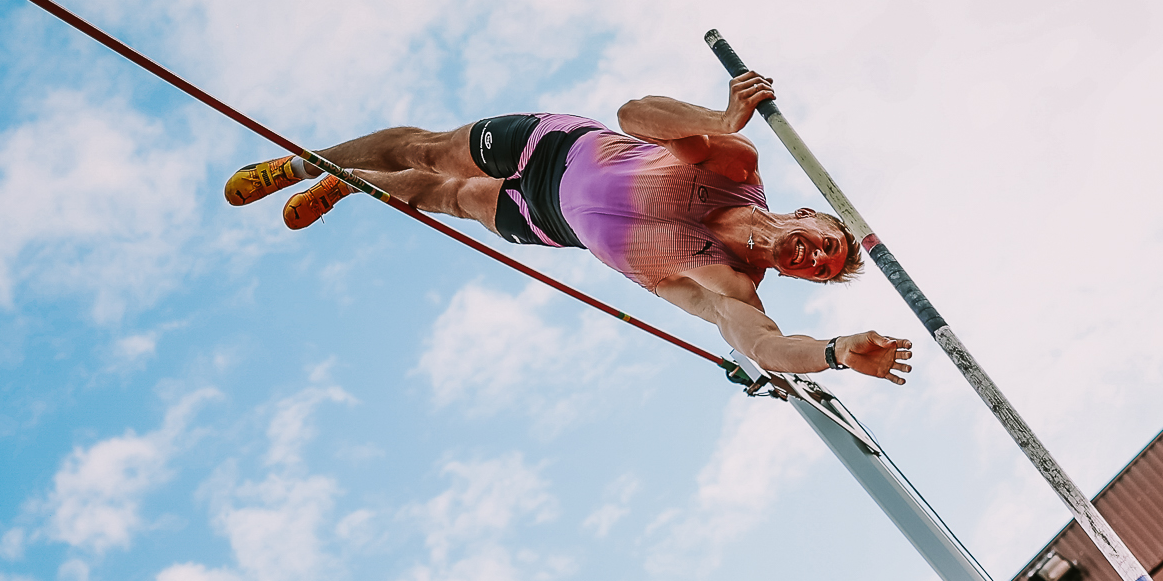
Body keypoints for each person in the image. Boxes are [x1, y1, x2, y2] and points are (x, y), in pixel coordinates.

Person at [222, 72, 914, 383]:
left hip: (548, 220)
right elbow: (636, 113)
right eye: (824, 241)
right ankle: (300, 165)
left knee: (441, 196)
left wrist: (832, 352)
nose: (812, 257)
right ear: (804, 214)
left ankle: (345, 188)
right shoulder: (736, 164)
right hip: (552, 147)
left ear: (796, 276)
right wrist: (718, 117)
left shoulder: (729, 284)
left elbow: (765, 347)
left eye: (817, 269)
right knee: (428, 152)